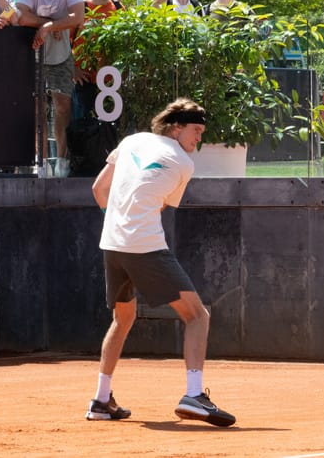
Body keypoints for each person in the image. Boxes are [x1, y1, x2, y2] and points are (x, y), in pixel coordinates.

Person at [87, 98, 235, 427]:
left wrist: (117, 222)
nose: (199, 139)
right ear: (176, 127)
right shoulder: (182, 163)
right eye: (196, 131)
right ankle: (194, 395)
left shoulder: (131, 141)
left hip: (111, 244)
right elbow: (159, 207)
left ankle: (100, 399)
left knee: (123, 318)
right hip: (144, 246)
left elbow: (99, 189)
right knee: (197, 315)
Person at [17, 0, 85, 177]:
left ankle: (62, 161)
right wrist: (51, 24)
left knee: (63, 106)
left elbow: (78, 17)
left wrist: (48, 28)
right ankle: (42, 161)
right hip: (33, 53)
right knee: (37, 110)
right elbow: (22, 17)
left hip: (61, 54)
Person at [68, 0, 120, 177]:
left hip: (109, 85)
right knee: (81, 127)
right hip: (84, 81)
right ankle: (79, 169)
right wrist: (73, 68)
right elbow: (64, 40)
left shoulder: (118, 8)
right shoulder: (81, 7)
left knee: (109, 130)